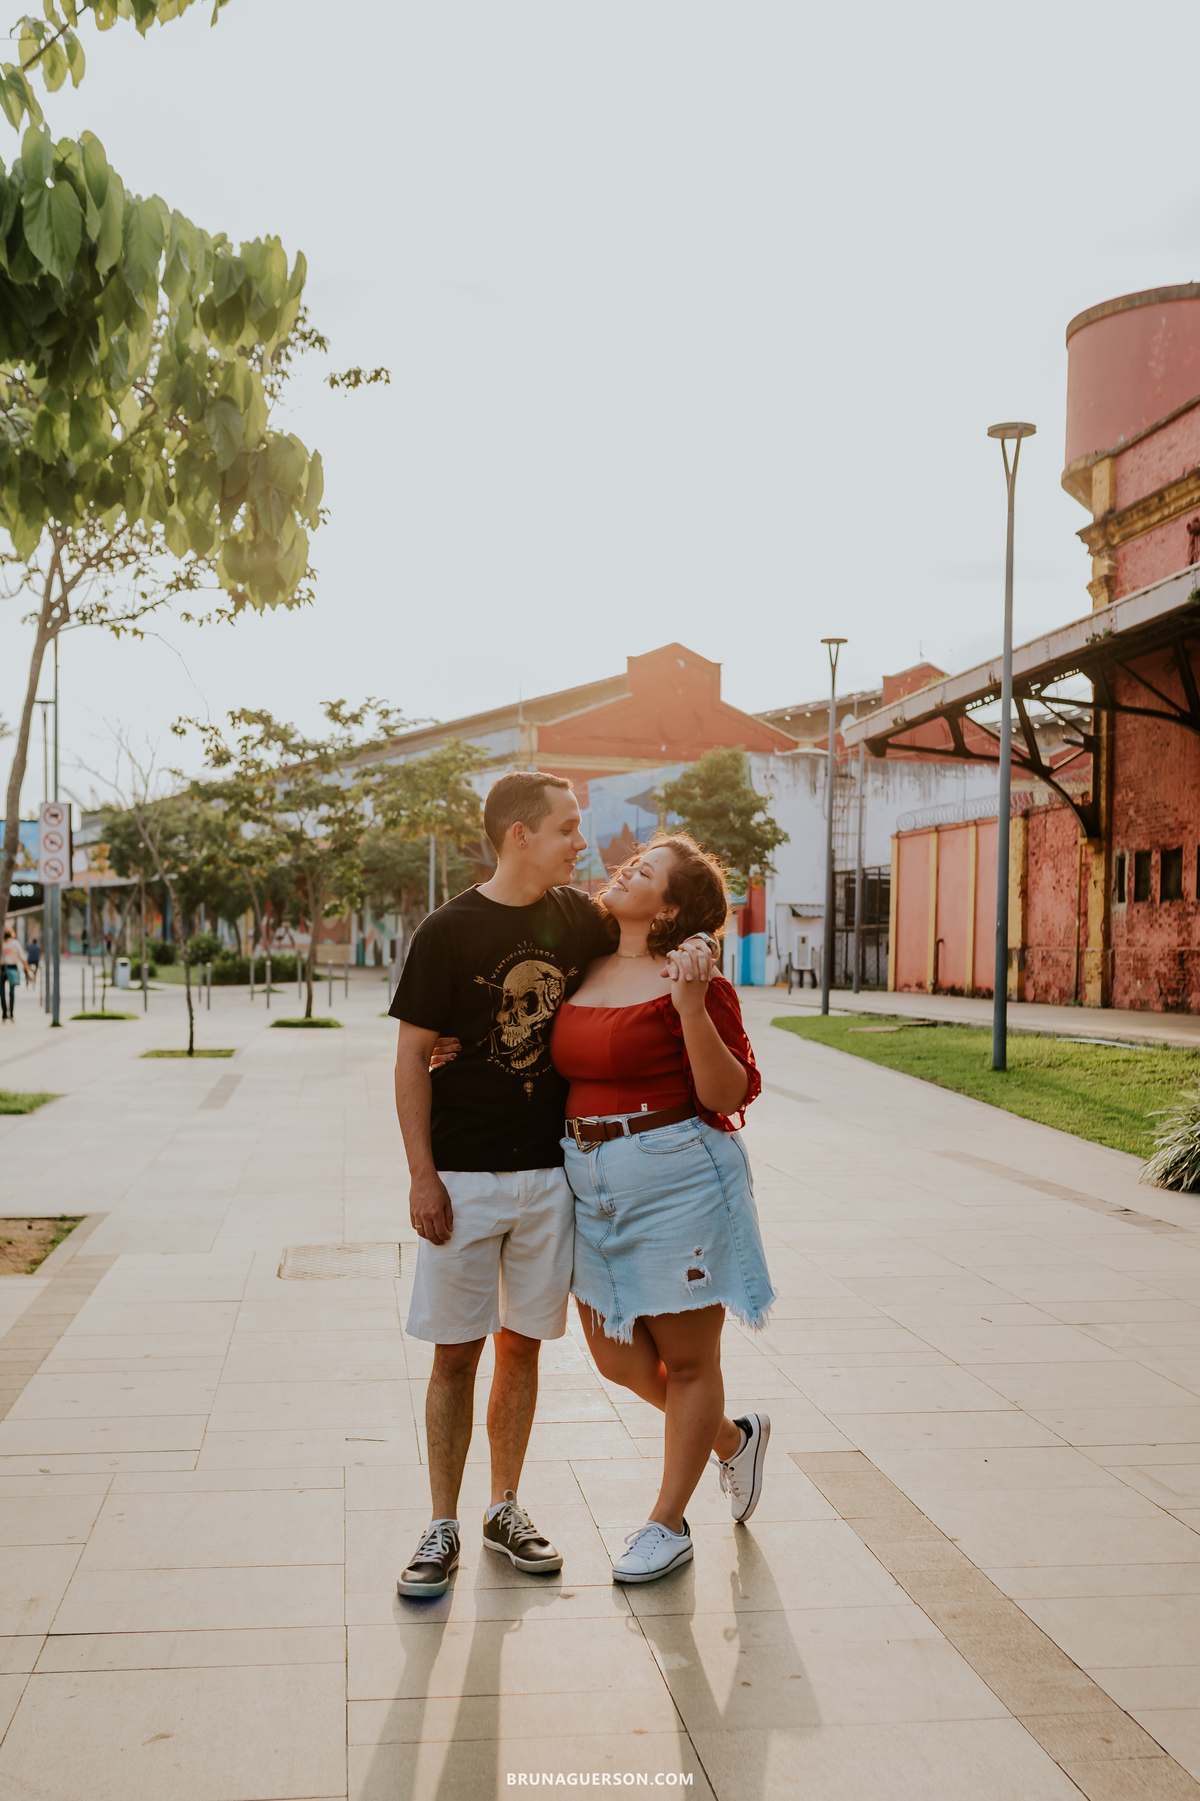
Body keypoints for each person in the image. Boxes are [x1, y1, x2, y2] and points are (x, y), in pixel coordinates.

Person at [389, 771, 717, 1600]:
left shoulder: (579, 917)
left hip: (550, 1176)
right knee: (454, 1352)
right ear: (519, 836)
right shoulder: (446, 930)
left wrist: (699, 951)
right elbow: (408, 1060)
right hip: (461, 1178)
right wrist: (422, 1175)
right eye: (569, 828)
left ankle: (504, 1506)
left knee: (521, 1347)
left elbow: (658, 924)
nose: (585, 842)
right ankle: (441, 1522)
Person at [549, 834, 776, 1584]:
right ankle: (731, 1439)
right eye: (629, 864)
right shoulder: (584, 962)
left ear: (671, 906)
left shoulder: (691, 978)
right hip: (590, 1180)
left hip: (677, 1176)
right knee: (616, 1357)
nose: (624, 871)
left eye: (643, 871)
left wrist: (686, 1004)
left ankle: (666, 1523)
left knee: (686, 1359)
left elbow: (726, 1094)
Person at [1, 928, 31, 1021]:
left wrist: (28, 971)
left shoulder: (10, 944)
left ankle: (8, 1014)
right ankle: (8, 1014)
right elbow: (23, 958)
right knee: (7, 993)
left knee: (7, 992)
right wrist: (28, 972)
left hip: (7, 968)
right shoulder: (12, 943)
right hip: (7, 968)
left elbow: (23, 958)